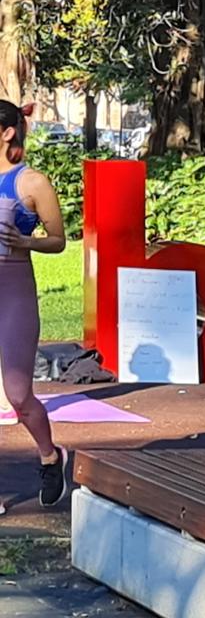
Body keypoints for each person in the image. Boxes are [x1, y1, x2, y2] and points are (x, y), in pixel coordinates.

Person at [0, 99, 70, 506]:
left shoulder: (32, 182)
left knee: (18, 393)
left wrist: (26, 242)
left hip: (13, 290)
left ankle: (48, 456)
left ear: (8, 132)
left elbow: (59, 240)